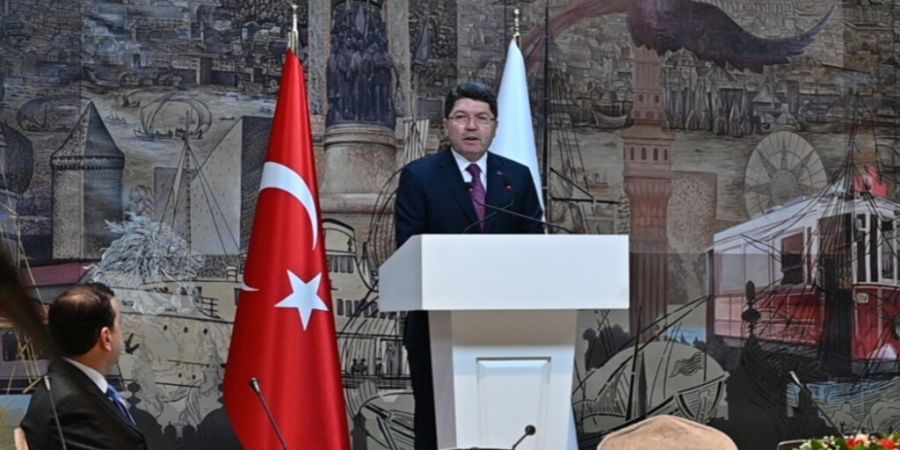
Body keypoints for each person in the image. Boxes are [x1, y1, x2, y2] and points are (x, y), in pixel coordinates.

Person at [394, 81, 544, 450]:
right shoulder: (420, 177)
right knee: (437, 422)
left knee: (504, 421)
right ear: (446, 125)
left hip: (505, 325)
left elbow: (534, 246)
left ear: (495, 126)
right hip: (437, 326)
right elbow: (410, 249)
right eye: (461, 117)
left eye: (482, 118)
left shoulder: (517, 178)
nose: (472, 127)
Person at [21, 283, 148, 449]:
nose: (122, 335)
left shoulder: (62, 387)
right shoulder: (72, 407)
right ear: (106, 337)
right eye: (119, 325)